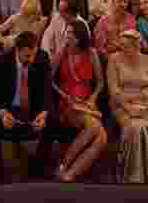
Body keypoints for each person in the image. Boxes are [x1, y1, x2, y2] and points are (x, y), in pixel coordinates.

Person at [0, 31, 57, 182]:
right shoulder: (2, 59)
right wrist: (2, 113)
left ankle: (38, 167)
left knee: (53, 120)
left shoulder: (42, 58)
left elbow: (47, 91)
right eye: (26, 56)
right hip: (9, 109)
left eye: (33, 54)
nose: (31, 59)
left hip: (33, 110)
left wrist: (43, 113)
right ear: (17, 50)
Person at [106, 28, 148, 183]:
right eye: (121, 45)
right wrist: (129, 107)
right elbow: (114, 90)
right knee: (135, 129)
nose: (122, 48)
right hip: (121, 105)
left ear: (137, 46)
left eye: (126, 45)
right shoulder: (113, 60)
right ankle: (133, 177)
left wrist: (142, 106)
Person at [51, 19, 106, 182]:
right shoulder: (62, 52)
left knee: (101, 138)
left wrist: (93, 98)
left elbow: (101, 83)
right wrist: (63, 95)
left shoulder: (91, 53)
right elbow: (49, 80)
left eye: (71, 33)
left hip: (87, 103)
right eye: (67, 32)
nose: (67, 36)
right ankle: (64, 166)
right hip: (68, 102)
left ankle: (69, 173)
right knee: (96, 129)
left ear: (80, 36)